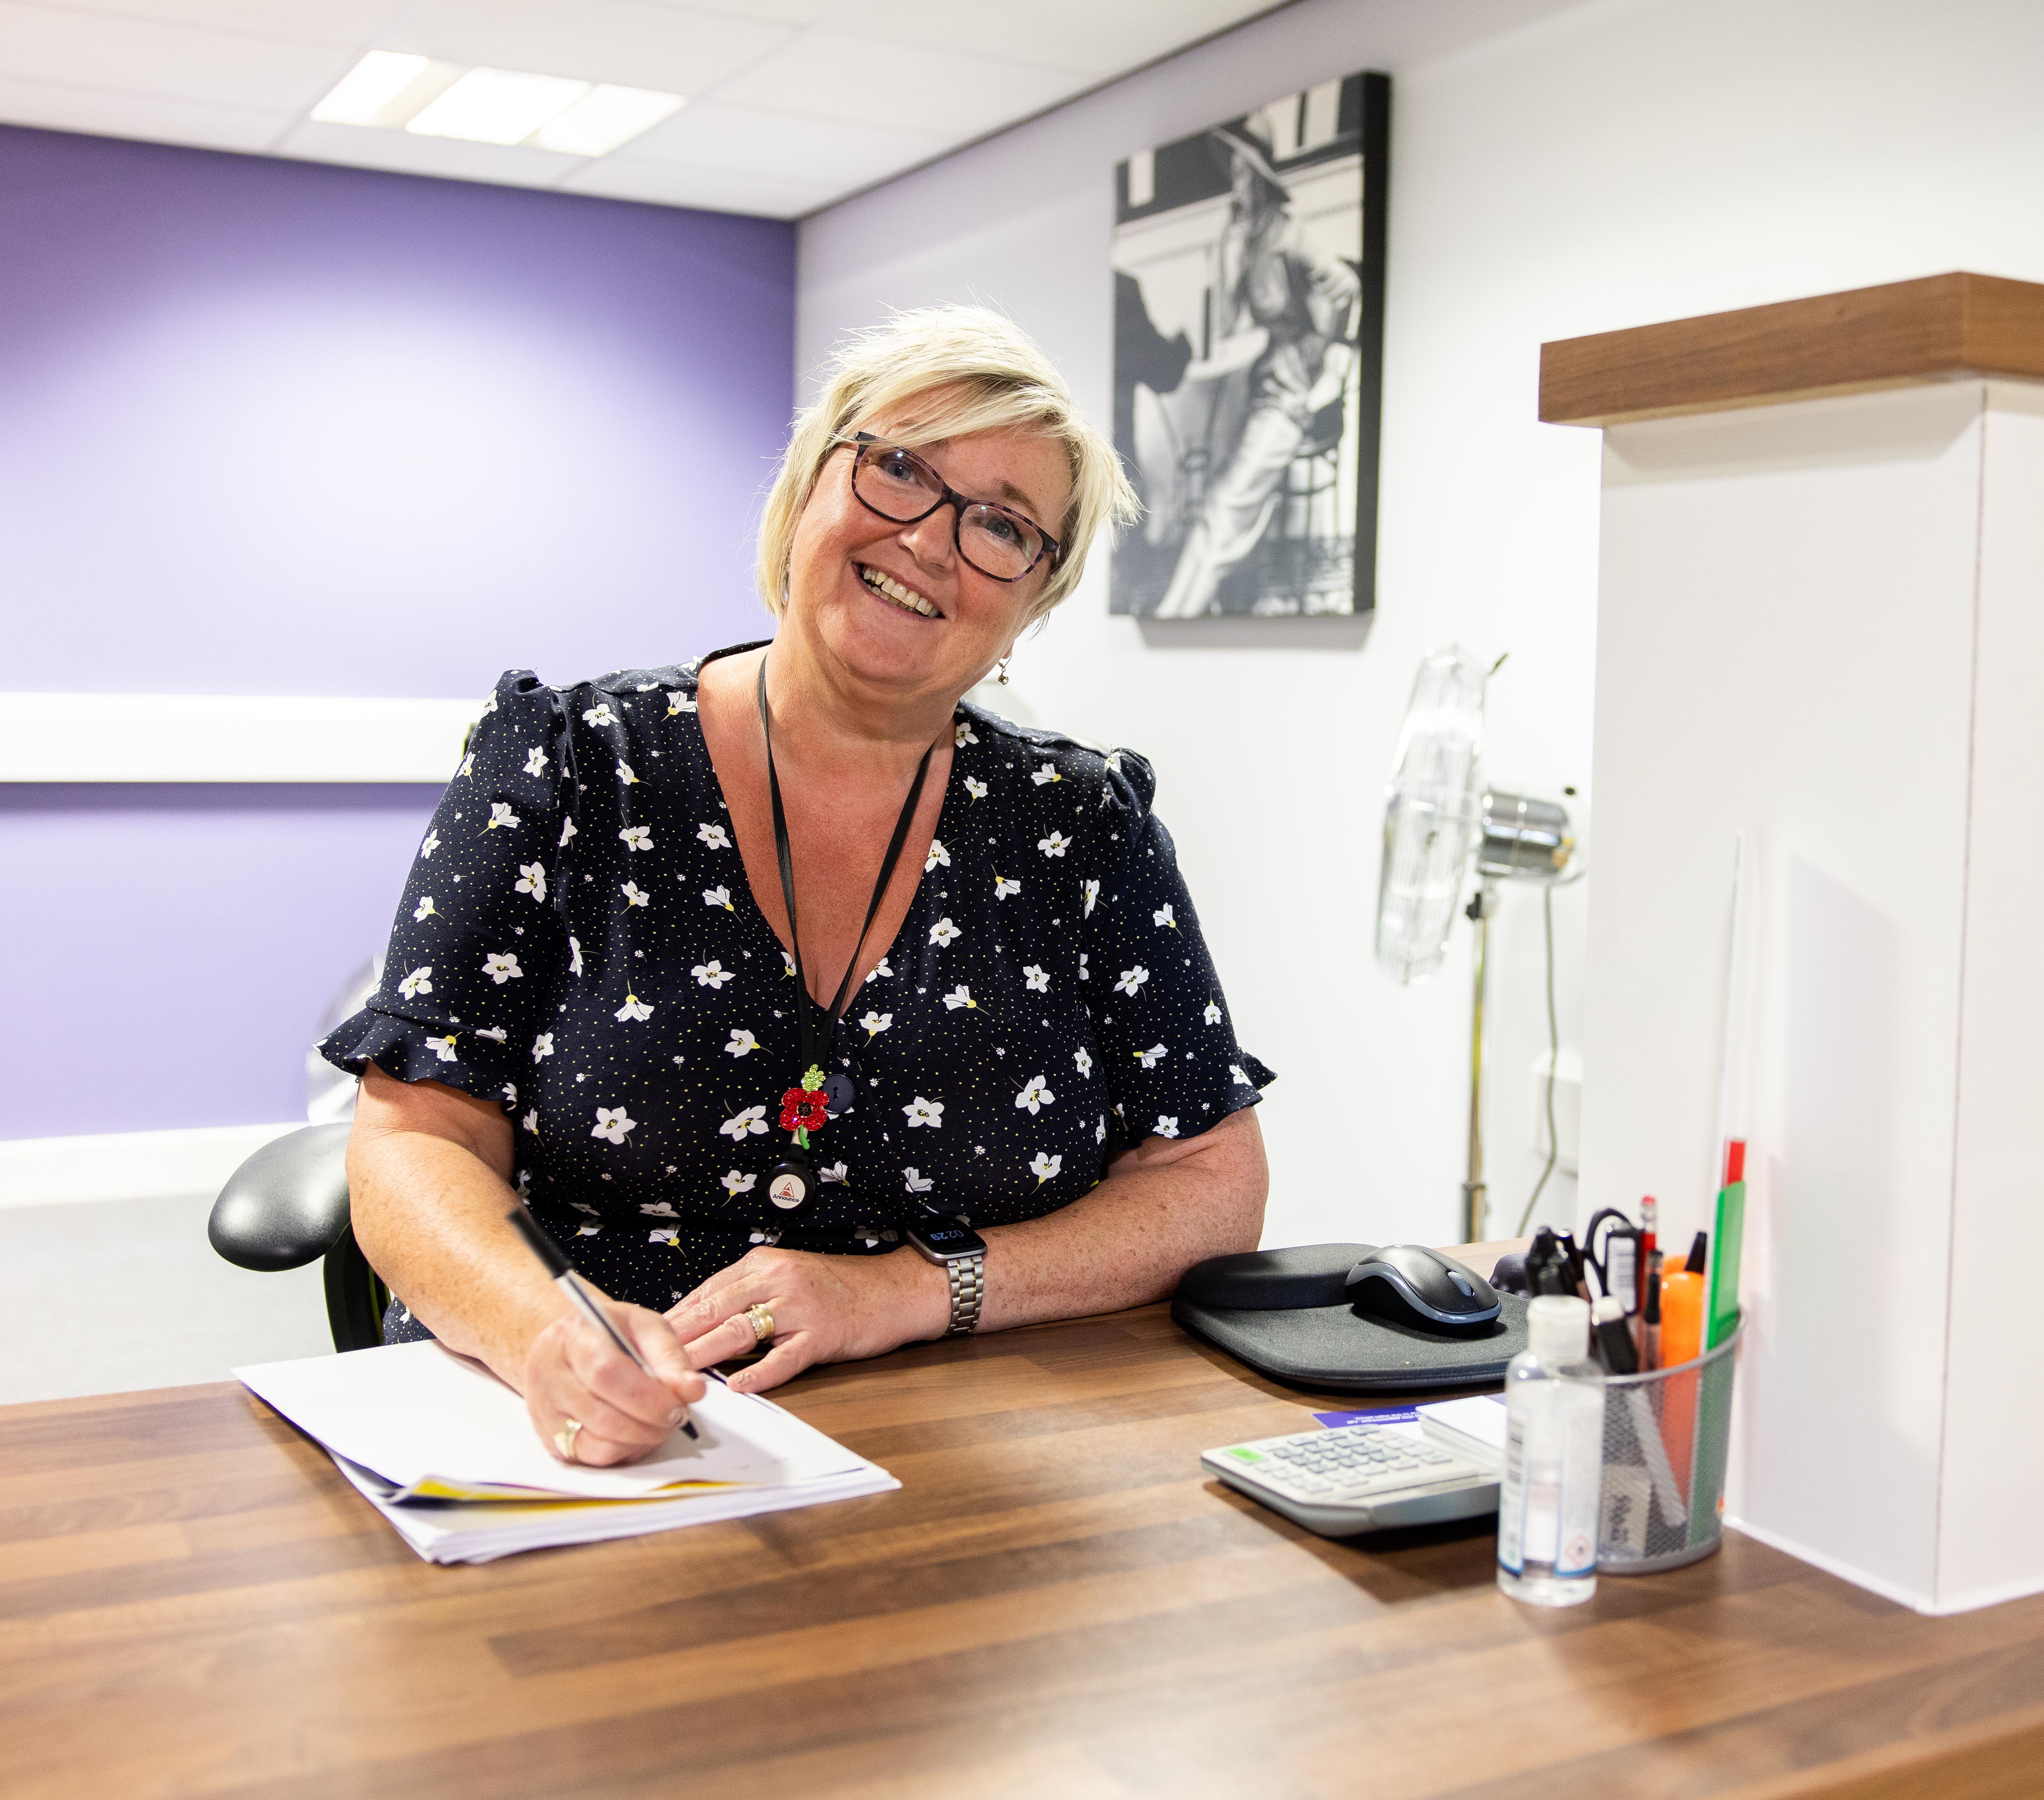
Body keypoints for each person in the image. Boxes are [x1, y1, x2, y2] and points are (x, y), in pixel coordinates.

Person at [320, 306, 1275, 1468]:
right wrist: (546, 1332)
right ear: (806, 487)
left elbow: (1210, 1176)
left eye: (1003, 527)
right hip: (588, 1439)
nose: (929, 540)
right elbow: (414, 1138)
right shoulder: (569, 763)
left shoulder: (1082, 827)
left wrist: (909, 1289)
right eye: (900, 469)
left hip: (969, 1452)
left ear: (1031, 606)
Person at [1151, 126, 1362, 619]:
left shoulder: (1291, 234)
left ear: (1262, 179)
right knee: (1203, 478)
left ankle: (1177, 613)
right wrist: (1231, 250)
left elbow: (1346, 287)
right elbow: (1230, 323)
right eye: (1236, 174)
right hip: (1256, 381)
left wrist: (1330, 363)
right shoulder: (1246, 241)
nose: (1238, 184)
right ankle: (1177, 608)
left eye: (1247, 174)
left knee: (1228, 501)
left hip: (1293, 387)